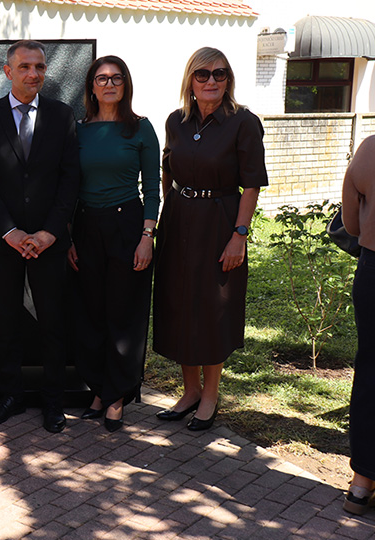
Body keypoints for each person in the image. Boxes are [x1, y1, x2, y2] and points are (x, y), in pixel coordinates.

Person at [153, 47, 268, 431]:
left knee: (211, 308)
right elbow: (168, 169)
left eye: (220, 74)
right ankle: (190, 391)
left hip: (220, 222)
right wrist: (170, 211)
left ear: (228, 80)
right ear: (190, 80)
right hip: (179, 220)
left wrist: (239, 235)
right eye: (202, 74)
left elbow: (251, 184)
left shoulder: (243, 122)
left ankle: (210, 395)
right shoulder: (176, 121)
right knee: (179, 304)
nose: (211, 81)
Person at [0, 40, 80, 433]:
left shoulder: (62, 116)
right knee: (6, 322)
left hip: (50, 242)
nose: (34, 74)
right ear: (8, 71)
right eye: (25, 67)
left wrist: (50, 232)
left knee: (53, 323)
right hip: (5, 241)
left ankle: (53, 400)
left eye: (40, 67)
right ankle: (10, 395)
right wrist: (10, 231)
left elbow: (70, 179)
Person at [67, 56, 160, 432]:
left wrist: (147, 237)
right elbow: (68, 187)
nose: (109, 84)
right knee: (90, 313)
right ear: (91, 86)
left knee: (123, 313)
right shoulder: (78, 130)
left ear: (126, 85)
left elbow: (153, 188)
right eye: (102, 78)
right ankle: (99, 389)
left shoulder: (140, 128)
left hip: (128, 226)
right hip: (86, 226)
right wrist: (70, 237)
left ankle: (117, 395)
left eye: (116, 78)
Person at [341, 135, 375, 515]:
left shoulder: (369, 149)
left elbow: (350, 223)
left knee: (370, 370)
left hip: (373, 268)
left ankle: (362, 482)